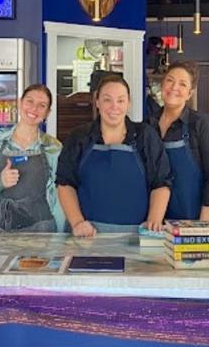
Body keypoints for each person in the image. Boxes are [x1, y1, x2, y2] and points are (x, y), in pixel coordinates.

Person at [56, 74, 172, 236]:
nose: (114, 107)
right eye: (107, 100)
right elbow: (64, 183)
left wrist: (154, 221)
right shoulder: (79, 137)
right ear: (97, 102)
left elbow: (161, 183)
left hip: (137, 236)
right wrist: (77, 223)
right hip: (87, 237)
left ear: (128, 103)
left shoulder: (145, 136)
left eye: (120, 100)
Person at [0, 84, 64, 232]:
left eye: (42, 105)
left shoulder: (53, 147)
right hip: (2, 228)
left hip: (41, 228)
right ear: (20, 102)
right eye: (30, 101)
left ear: (47, 113)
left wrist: (61, 237)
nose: (34, 108)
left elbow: (57, 197)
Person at [145, 62, 209, 221]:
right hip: (155, 221)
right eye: (170, 80)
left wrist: (203, 225)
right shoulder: (148, 125)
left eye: (182, 84)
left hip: (196, 219)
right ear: (162, 85)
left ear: (189, 93)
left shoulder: (201, 124)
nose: (174, 87)